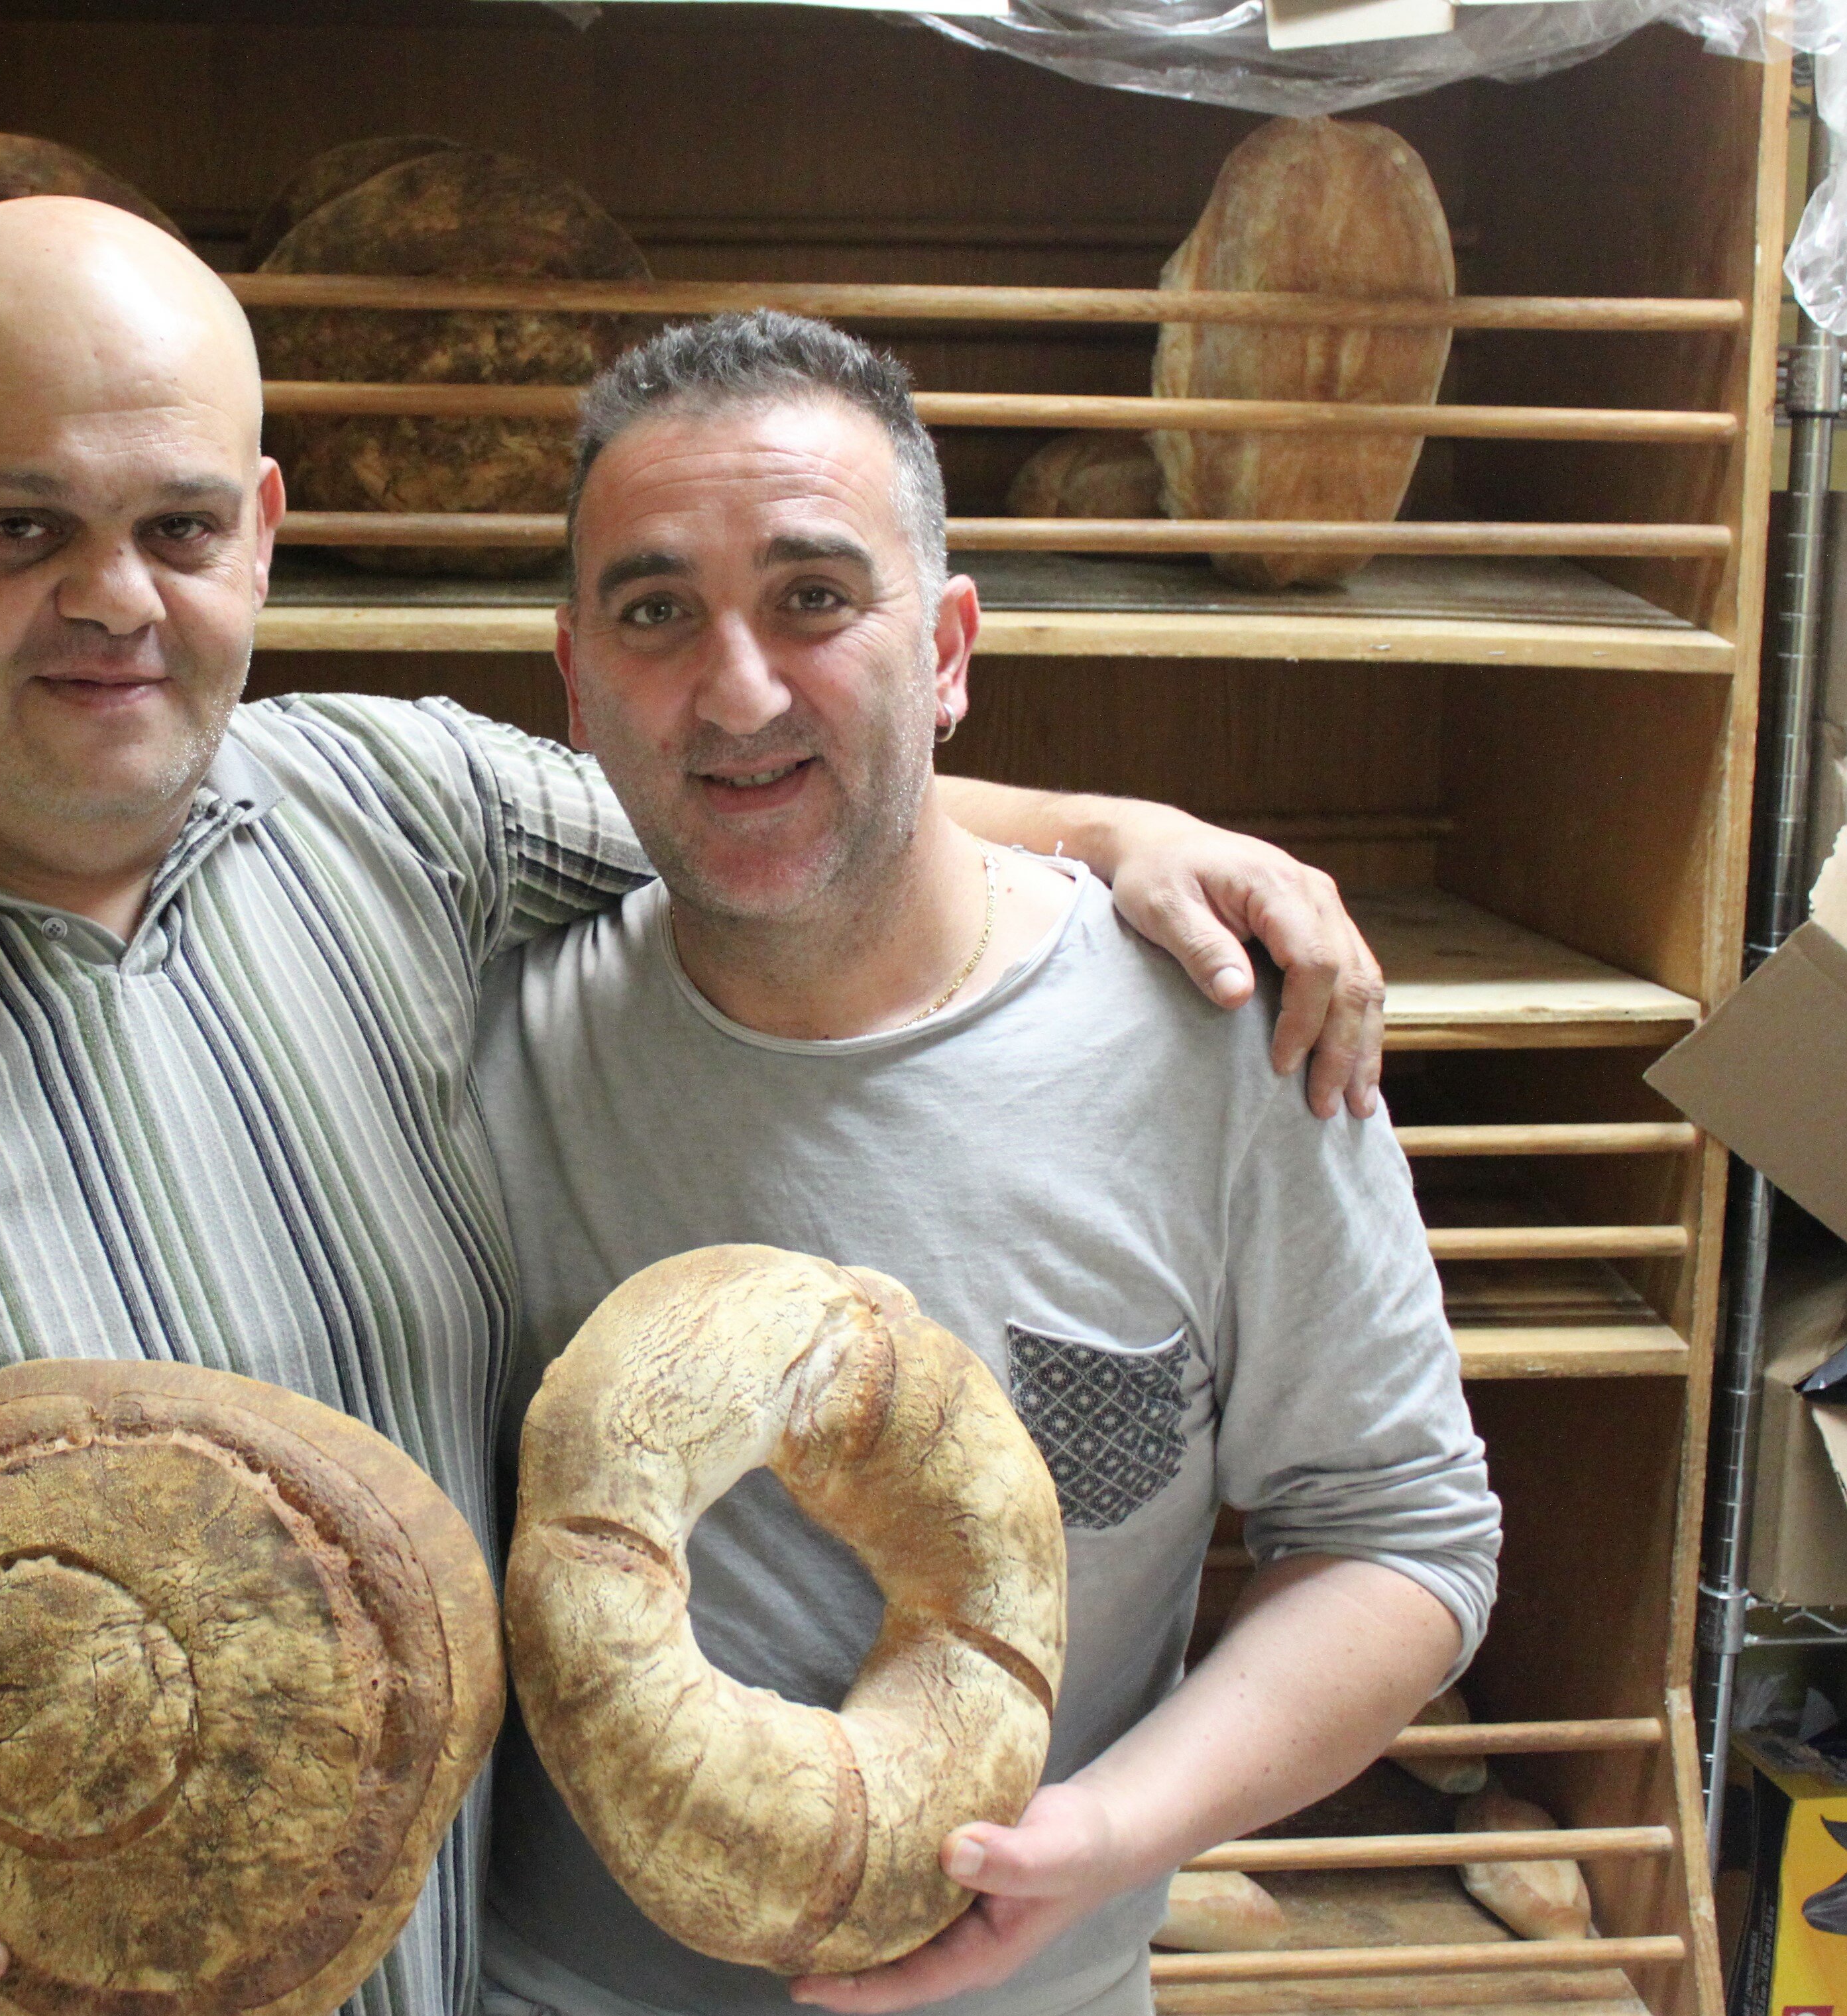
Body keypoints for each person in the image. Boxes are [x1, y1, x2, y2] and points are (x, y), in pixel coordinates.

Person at [0, 204, 1388, 2016]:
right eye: (19, 531)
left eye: (178, 525)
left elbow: (746, 774)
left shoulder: (383, 811)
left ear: (261, 535)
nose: (115, 599)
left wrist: (1116, 821)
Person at [473, 311, 1499, 2016]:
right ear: (576, 679)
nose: (735, 691)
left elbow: (1400, 1540)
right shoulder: (485, 1031)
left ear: (945, 650)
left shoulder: (1221, 1037)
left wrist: (1106, 1831)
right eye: (657, 614)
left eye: (814, 598)